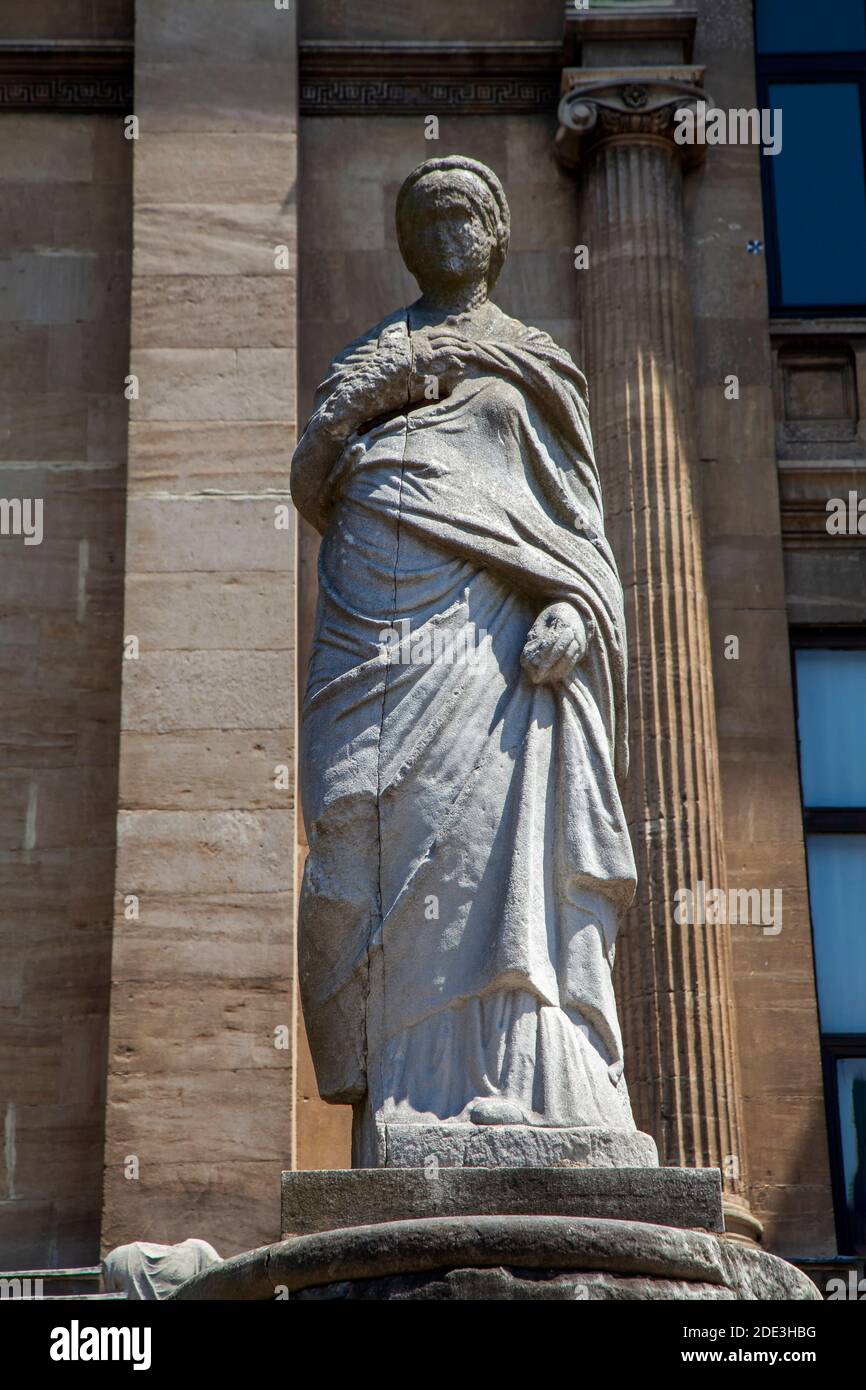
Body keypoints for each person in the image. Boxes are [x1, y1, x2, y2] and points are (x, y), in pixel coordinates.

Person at [291, 156, 638, 1165]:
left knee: (495, 854)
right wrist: (360, 403)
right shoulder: (371, 351)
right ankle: (401, 1088)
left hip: (495, 652)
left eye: (464, 216)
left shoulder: (533, 361)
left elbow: (577, 532)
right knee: (356, 849)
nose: (446, 232)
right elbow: (311, 485)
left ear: (494, 236)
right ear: (406, 242)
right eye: (427, 218)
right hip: (378, 642)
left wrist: (575, 609)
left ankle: (528, 1079)